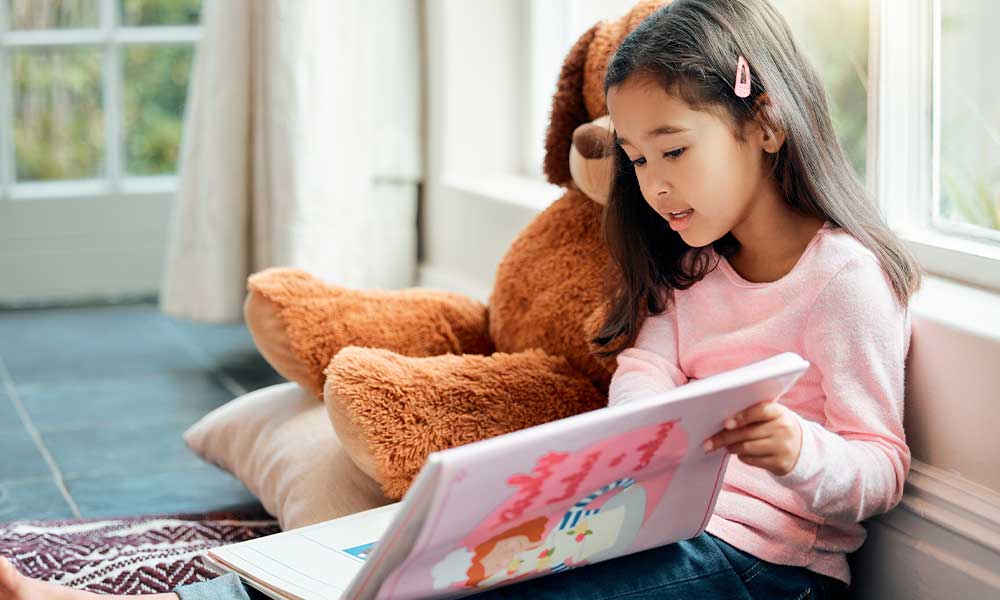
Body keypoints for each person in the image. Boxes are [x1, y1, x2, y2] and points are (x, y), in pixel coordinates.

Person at [0, 1, 919, 598]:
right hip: (637, 517)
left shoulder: (845, 279)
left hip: (762, 567)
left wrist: (800, 450)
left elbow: (878, 469)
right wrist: (636, 437)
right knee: (421, 563)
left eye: (674, 151)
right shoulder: (690, 262)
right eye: (636, 161)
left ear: (764, 123)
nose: (654, 186)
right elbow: (646, 363)